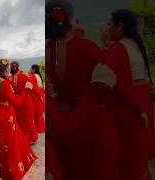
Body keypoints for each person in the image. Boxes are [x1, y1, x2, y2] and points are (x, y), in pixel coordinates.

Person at [47, 0, 120, 179]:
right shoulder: (88, 47)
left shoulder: (48, 49)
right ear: (71, 21)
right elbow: (112, 81)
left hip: (57, 121)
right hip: (88, 122)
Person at [103, 9, 154, 179]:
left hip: (128, 103)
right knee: (140, 144)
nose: (107, 28)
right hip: (143, 97)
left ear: (120, 26)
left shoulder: (118, 48)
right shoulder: (138, 44)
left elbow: (115, 82)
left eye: (110, 24)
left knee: (127, 147)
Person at [0, 58, 37, 180]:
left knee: (7, 144)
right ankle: (13, 172)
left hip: (2, 116)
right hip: (8, 118)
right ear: (6, 69)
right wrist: (26, 91)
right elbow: (16, 103)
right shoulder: (5, 84)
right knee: (11, 145)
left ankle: (6, 171)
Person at [10, 61, 38, 144]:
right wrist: (38, 95)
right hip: (25, 101)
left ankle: (21, 139)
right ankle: (28, 139)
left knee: (20, 121)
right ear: (18, 67)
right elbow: (32, 87)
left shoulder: (10, 78)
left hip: (17, 102)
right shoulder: (23, 76)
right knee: (27, 120)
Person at [28, 64, 45, 133]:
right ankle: (41, 128)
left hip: (35, 98)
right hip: (40, 97)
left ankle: (37, 129)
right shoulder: (39, 76)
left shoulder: (32, 77)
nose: (29, 69)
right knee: (39, 113)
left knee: (35, 113)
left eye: (30, 68)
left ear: (33, 70)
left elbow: (31, 87)